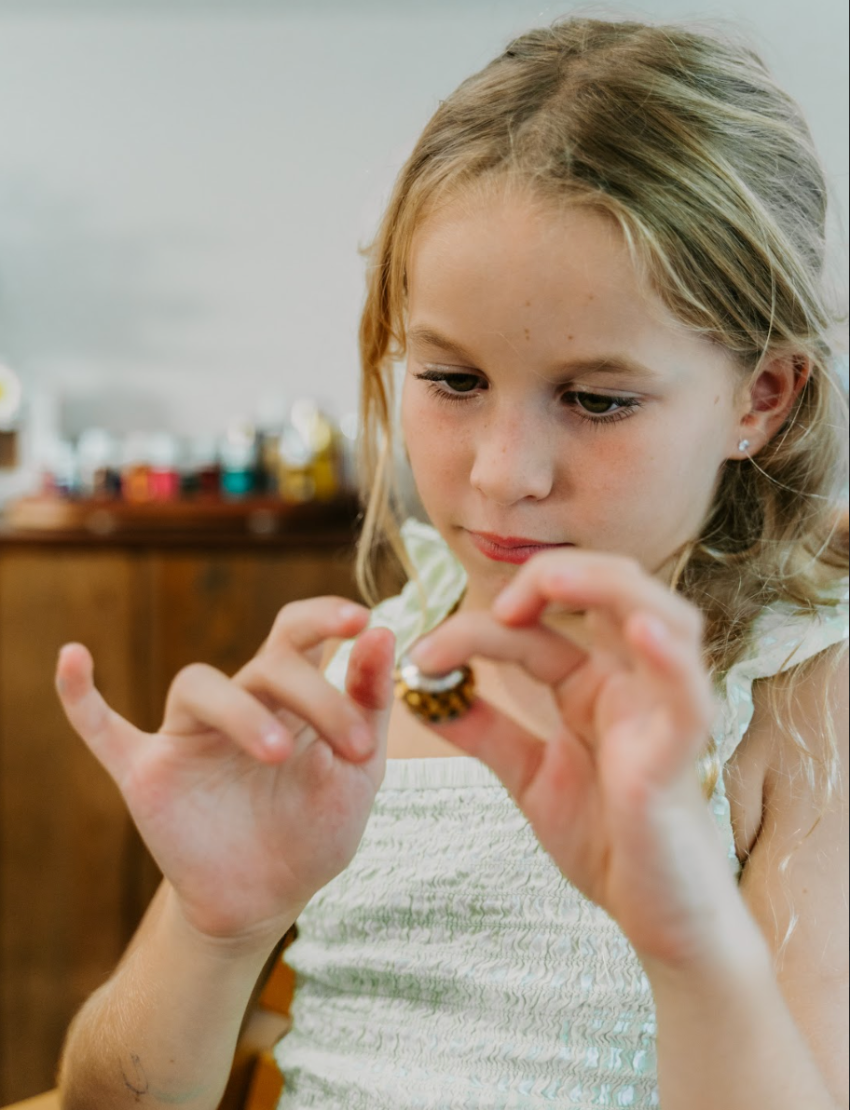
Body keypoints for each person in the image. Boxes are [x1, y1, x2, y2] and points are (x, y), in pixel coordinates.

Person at [54, 16, 848, 1110]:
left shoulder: (800, 699)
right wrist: (213, 924)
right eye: (452, 381)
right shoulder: (362, 675)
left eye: (597, 399)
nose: (500, 475)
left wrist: (686, 948)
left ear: (759, 398)